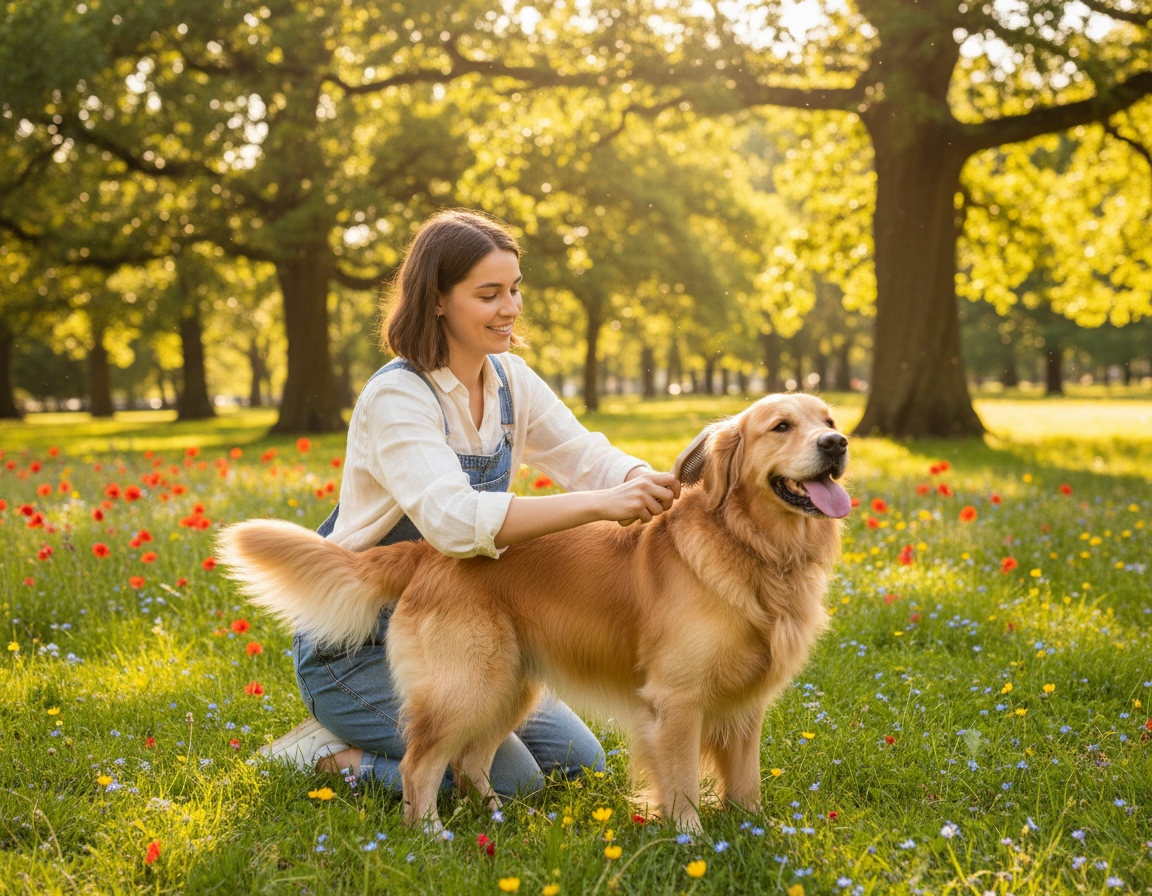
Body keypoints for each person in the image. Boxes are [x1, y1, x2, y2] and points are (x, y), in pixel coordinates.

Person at [259, 209, 680, 802]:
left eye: (514, 290)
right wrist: (603, 505)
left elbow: (582, 453)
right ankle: (327, 753)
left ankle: (395, 739)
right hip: (364, 647)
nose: (510, 308)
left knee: (580, 762)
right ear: (436, 299)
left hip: (474, 627)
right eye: (489, 294)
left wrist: (644, 480)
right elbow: (454, 523)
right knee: (509, 783)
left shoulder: (510, 380)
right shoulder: (396, 397)